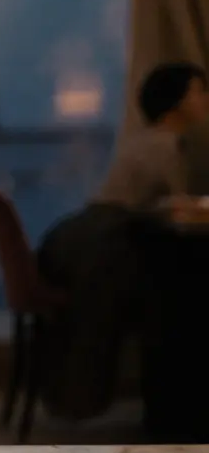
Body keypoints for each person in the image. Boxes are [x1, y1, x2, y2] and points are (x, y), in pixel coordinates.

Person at [37, 62, 209, 421]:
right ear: (177, 100)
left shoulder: (149, 141)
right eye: (198, 91)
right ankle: (176, 404)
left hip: (84, 235)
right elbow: (174, 208)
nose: (205, 99)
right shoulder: (163, 145)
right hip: (104, 242)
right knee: (179, 296)